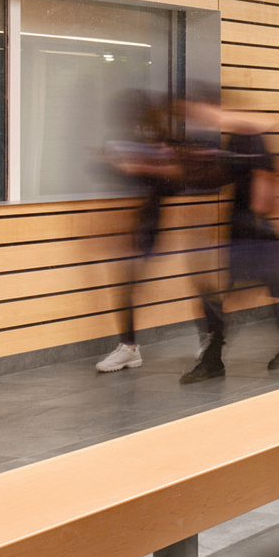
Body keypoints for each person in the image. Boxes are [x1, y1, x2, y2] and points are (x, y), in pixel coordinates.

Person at [178, 88, 279, 384]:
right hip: (246, 229)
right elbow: (226, 177)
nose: (201, 119)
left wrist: (258, 223)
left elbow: (265, 180)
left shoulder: (251, 135)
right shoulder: (236, 139)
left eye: (202, 111)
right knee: (264, 294)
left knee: (243, 297)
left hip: (254, 232)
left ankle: (215, 360)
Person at [95, 91, 180, 373]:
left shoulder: (161, 143)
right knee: (126, 285)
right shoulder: (122, 140)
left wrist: (137, 166)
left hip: (147, 222)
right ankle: (129, 347)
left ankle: (130, 347)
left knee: (129, 284)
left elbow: (173, 181)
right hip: (127, 221)